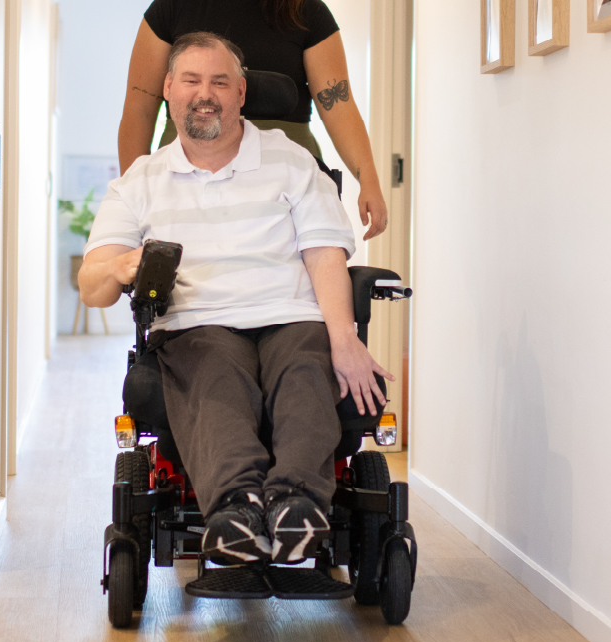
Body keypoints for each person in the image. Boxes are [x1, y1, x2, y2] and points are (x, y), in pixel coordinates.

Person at [81, 32, 394, 564]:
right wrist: (118, 265)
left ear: (242, 93)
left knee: (304, 366)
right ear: (168, 90)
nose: (206, 94)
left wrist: (344, 338)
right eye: (192, 81)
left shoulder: (291, 161)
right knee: (215, 369)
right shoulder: (142, 180)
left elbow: (324, 253)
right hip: (198, 323)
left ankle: (295, 504)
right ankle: (237, 508)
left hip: (290, 314)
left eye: (220, 82)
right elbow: (92, 285)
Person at [119, 0, 389, 241]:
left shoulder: (306, 10)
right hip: (187, 173)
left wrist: (369, 181)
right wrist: (133, 195)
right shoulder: (170, 8)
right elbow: (139, 108)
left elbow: (338, 106)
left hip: (285, 177)